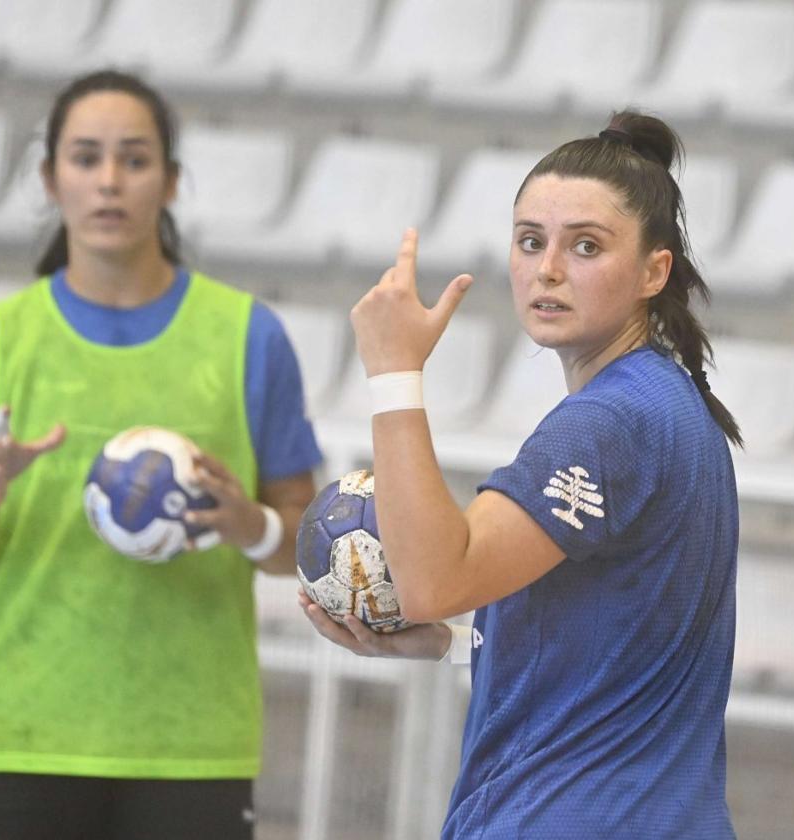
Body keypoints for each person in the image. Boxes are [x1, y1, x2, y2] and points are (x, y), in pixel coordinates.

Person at [299, 111, 741, 838]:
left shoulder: (609, 422)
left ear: (653, 270)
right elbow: (614, 635)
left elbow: (438, 579)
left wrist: (394, 373)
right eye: (531, 242)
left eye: (587, 247)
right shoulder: (665, 401)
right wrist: (448, 638)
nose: (549, 269)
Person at [0, 69, 321, 840]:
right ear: (49, 178)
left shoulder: (248, 337)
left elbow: (304, 545)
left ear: (168, 181)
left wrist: (249, 524)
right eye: (85, 157)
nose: (108, 181)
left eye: (134, 160)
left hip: (191, 746)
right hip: (14, 739)